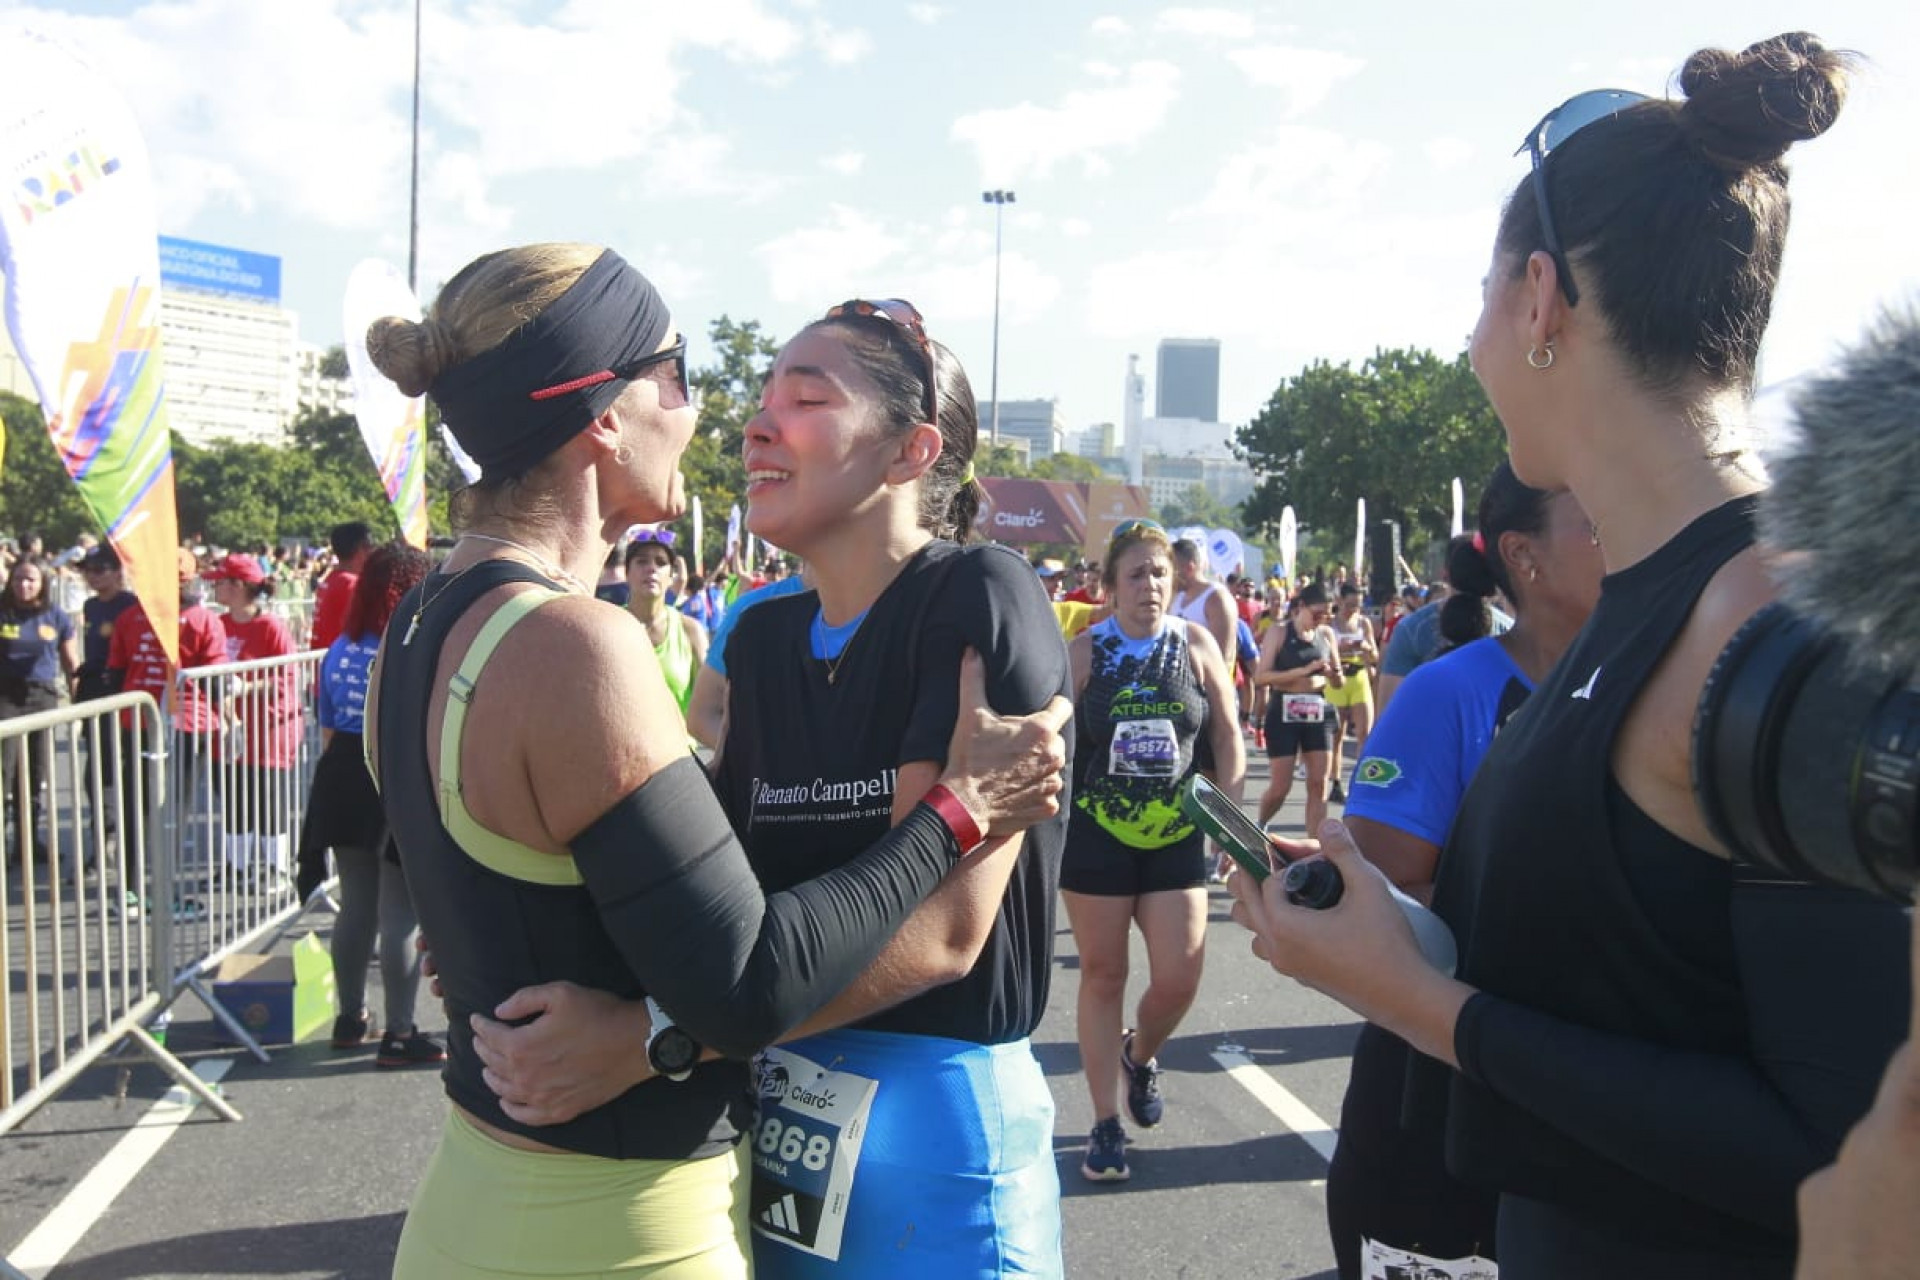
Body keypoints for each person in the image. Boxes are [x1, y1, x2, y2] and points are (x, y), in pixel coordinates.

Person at [1230, 35, 1910, 1279]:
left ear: (1540, 298)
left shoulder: (1775, 621)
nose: (1478, 341)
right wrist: (1392, 938)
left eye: (1485, 296)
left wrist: (1425, 1007)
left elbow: (1849, 1151)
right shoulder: (1656, 601)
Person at [362, 246, 1069, 1279]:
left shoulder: (982, 594)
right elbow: (732, 956)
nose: (739, 417)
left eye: (805, 395)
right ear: (602, 416)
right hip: (682, 1164)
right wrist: (656, 1024)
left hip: (889, 1133)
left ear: (912, 452)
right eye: (689, 378)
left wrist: (645, 1027)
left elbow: (946, 931)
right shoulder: (714, 634)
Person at [1326, 465, 1603, 1278]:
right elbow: (1375, 896)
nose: (1626, 528)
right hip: (1442, 1096)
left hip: (1598, 1103)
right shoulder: (1450, 692)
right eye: (1595, 519)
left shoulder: (1652, 686)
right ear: (1525, 556)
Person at [1061, 518, 1244, 1182]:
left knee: (1179, 976)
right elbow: (1052, 740)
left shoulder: (1194, 645)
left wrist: (1230, 823)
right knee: (1103, 974)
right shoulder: (1085, 653)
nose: (1150, 585)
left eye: (1160, 572)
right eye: (1136, 574)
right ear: (1110, 586)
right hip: (1098, 834)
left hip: (1176, 834)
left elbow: (1226, 735)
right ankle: (1105, 1122)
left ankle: (1140, 1053)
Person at [297, 541, 443, 1068]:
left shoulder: (340, 646)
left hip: (340, 776)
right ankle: (400, 1033)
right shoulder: (409, 643)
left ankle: (350, 1017)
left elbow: (329, 721)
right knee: (399, 910)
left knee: (356, 904)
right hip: (390, 774)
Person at [205, 552, 303, 888]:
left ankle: (276, 869)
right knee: (233, 799)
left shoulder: (270, 626)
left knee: (267, 799)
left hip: (269, 728)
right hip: (230, 728)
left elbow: (288, 677)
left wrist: (246, 685)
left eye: (220, 582)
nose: (214, 588)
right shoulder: (219, 624)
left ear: (239, 586)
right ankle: (237, 865)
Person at [1, 557, 79, 866]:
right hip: (5, 697)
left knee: (34, 775)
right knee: (4, 775)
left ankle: (28, 843)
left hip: (42, 697)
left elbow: (71, 663)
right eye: (19, 579)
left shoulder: (56, 616)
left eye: (31, 580)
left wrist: (79, 703)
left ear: (42, 584)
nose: (24, 585)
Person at [1252, 584, 1343, 833]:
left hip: (1317, 708)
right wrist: (1300, 672)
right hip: (1284, 709)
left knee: (1318, 784)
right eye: (1317, 614)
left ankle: (1314, 848)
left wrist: (1331, 674)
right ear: (1300, 607)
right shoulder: (1279, 632)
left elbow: (1339, 680)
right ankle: (1260, 824)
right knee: (1281, 786)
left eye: (1326, 615)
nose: (1321, 620)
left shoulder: (1325, 634)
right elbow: (1261, 677)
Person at [624, 527, 708, 719]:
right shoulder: (608, 627)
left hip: (680, 748)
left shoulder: (690, 630)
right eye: (642, 561)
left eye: (661, 563)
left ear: (671, 577)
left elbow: (712, 702)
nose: (651, 568)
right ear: (626, 573)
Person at [1324, 584, 1378, 803]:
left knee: (1365, 734)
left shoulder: (1364, 623)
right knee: (1336, 735)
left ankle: (1360, 782)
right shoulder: (1330, 624)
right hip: (1337, 679)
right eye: (1349, 605)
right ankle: (1335, 783)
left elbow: (1375, 655)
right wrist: (1340, 648)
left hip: (1358, 678)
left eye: (1357, 605)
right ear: (1339, 601)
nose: (1352, 609)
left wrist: (1365, 647)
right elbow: (1321, 651)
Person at [1168, 539, 1236, 661]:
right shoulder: (1177, 597)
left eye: (1173, 571)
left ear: (1189, 568)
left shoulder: (1217, 599)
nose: (1169, 577)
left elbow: (1222, 658)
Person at [310, 521, 374, 650]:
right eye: (371, 547)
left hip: (327, 661)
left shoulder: (331, 579)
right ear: (362, 549)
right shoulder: (351, 584)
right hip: (341, 661)